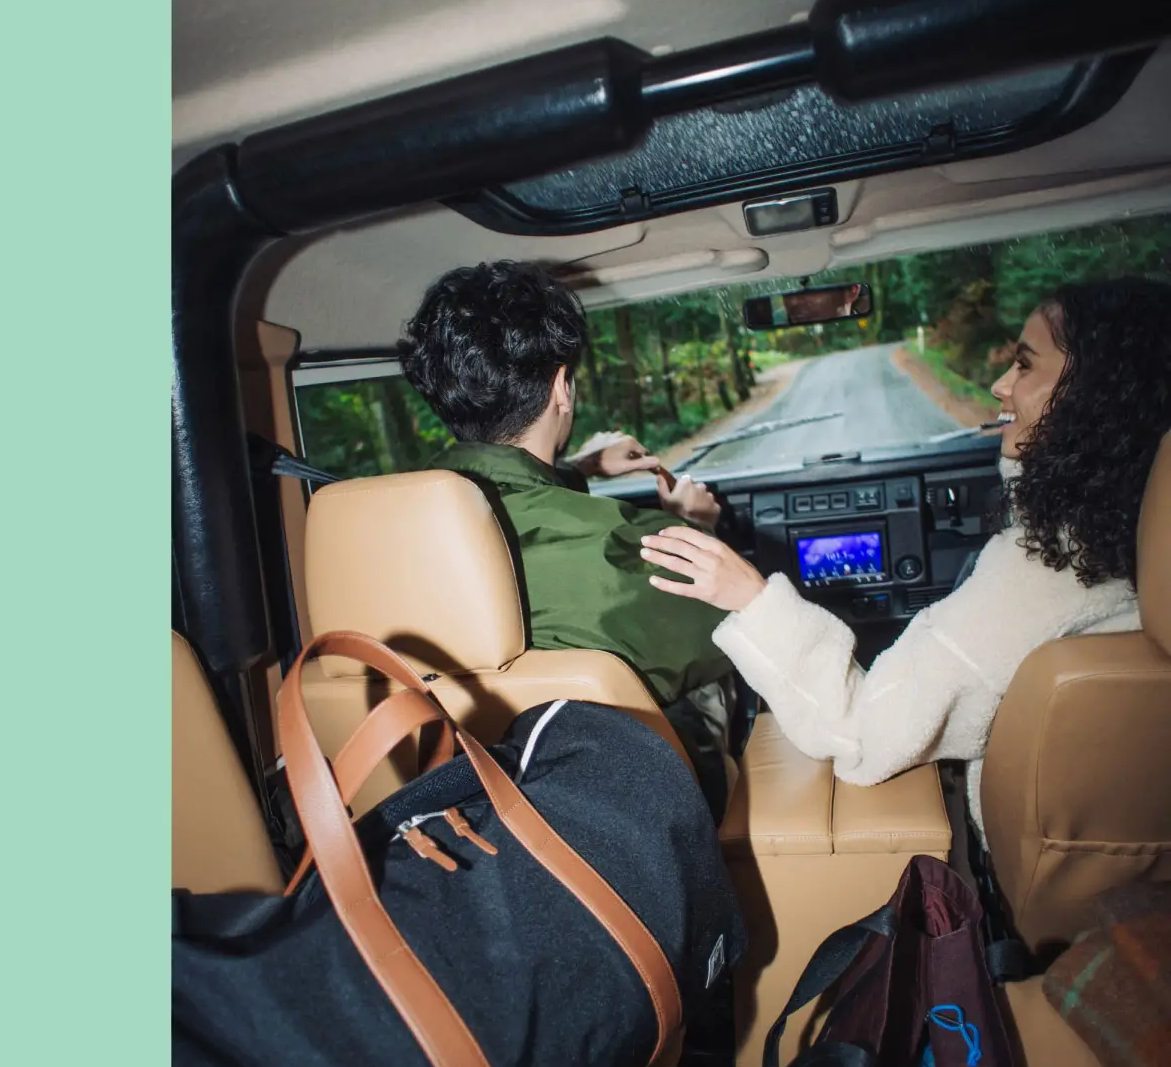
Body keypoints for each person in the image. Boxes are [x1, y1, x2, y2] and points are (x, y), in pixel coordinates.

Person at [638, 277, 1171, 840]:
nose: (999, 384)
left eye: (1024, 365)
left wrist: (750, 598)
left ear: (1096, 393)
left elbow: (859, 736)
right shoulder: (1131, 543)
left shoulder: (1041, 576)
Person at [397, 260, 737, 794]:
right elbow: (734, 628)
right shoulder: (626, 545)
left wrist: (577, 469)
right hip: (611, 808)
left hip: (452, 797)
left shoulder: (386, 536)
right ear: (562, 387)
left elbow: (506, 497)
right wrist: (693, 526)